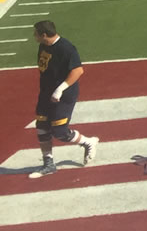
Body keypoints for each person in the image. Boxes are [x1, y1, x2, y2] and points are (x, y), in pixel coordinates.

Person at [30, 20, 97, 178]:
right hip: (46, 93)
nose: (34, 36)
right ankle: (48, 163)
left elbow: (78, 71)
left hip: (63, 95)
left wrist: (59, 90)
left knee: (59, 131)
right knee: (41, 126)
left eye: (36, 33)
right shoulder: (44, 45)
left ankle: (88, 142)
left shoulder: (66, 48)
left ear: (44, 35)